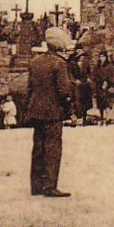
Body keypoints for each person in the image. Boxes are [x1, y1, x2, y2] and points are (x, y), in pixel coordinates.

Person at [24, 27, 76, 197]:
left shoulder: (35, 62)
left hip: (36, 110)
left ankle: (36, 185)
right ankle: (50, 186)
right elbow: (64, 91)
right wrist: (70, 109)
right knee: (53, 148)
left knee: (38, 146)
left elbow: (29, 88)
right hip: (53, 111)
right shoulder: (59, 63)